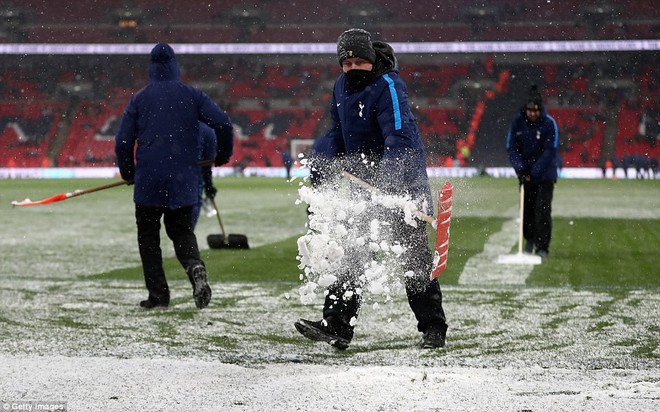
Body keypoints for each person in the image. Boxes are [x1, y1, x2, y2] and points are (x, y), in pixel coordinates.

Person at [294, 29, 448, 350]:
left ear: (372, 60)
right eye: (346, 63)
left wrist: (389, 184)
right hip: (365, 188)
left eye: (360, 61)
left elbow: (399, 136)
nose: (353, 68)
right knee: (352, 254)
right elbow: (337, 131)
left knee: (413, 261)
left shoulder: (389, 85)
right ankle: (337, 326)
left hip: (403, 188)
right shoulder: (340, 86)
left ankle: (433, 327)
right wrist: (328, 160)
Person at [115, 43, 233, 309]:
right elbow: (223, 123)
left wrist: (129, 173)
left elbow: (123, 141)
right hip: (184, 179)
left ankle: (158, 296)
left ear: (151, 69)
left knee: (149, 238)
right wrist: (223, 155)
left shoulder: (140, 98)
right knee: (181, 232)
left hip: (149, 180)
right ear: (175, 67)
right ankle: (194, 267)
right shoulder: (192, 95)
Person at [506, 85, 558, 259]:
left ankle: (542, 247)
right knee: (526, 210)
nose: (533, 114)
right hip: (525, 175)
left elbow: (550, 151)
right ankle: (530, 239)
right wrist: (521, 169)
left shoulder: (549, 124)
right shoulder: (517, 123)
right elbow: (511, 147)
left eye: (536, 111)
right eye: (530, 111)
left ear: (540, 110)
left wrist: (535, 171)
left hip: (544, 176)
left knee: (542, 210)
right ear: (526, 110)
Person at [191, 122, 218, 229]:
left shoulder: (171, 124)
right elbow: (207, 164)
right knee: (186, 229)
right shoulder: (207, 130)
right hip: (192, 181)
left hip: (167, 177)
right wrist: (208, 185)